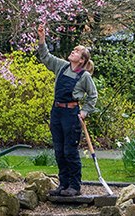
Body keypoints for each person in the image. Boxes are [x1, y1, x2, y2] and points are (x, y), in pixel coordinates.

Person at [36, 24, 98, 197]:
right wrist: (42, 38)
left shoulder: (84, 76)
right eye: (74, 49)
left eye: (77, 51)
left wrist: (85, 111)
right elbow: (45, 56)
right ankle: (63, 185)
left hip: (71, 114)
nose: (73, 52)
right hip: (56, 112)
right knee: (58, 150)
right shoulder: (61, 66)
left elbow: (93, 95)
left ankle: (74, 186)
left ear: (82, 60)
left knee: (69, 151)